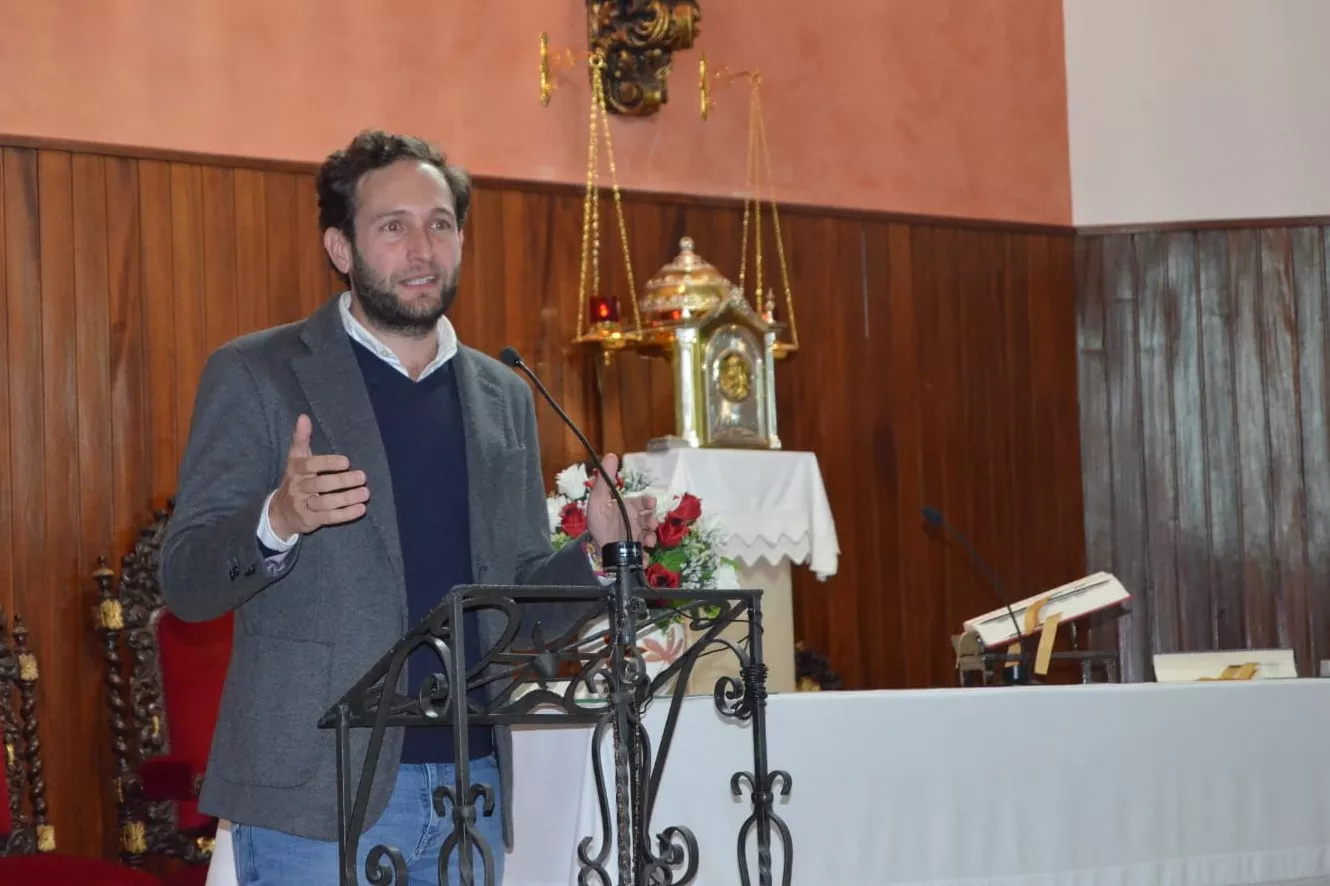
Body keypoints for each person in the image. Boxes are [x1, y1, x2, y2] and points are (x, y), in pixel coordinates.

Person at [160, 129, 658, 886]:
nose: (422, 249)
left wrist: (596, 552)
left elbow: (516, 606)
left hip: (469, 787)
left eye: (440, 224)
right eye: (393, 226)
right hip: (316, 796)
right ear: (340, 247)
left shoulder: (503, 395)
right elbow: (187, 582)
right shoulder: (258, 373)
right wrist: (277, 520)